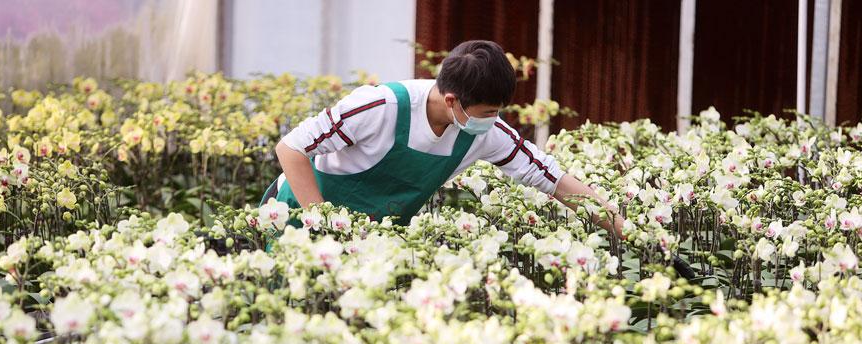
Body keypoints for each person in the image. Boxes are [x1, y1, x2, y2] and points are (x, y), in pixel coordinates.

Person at [260, 39, 626, 243]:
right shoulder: (381, 106)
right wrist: (323, 227)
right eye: (487, 112)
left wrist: (626, 229)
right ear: (452, 100)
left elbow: (552, 178)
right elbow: (290, 148)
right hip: (297, 219)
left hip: (368, 242)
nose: (493, 121)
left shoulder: (484, 132)